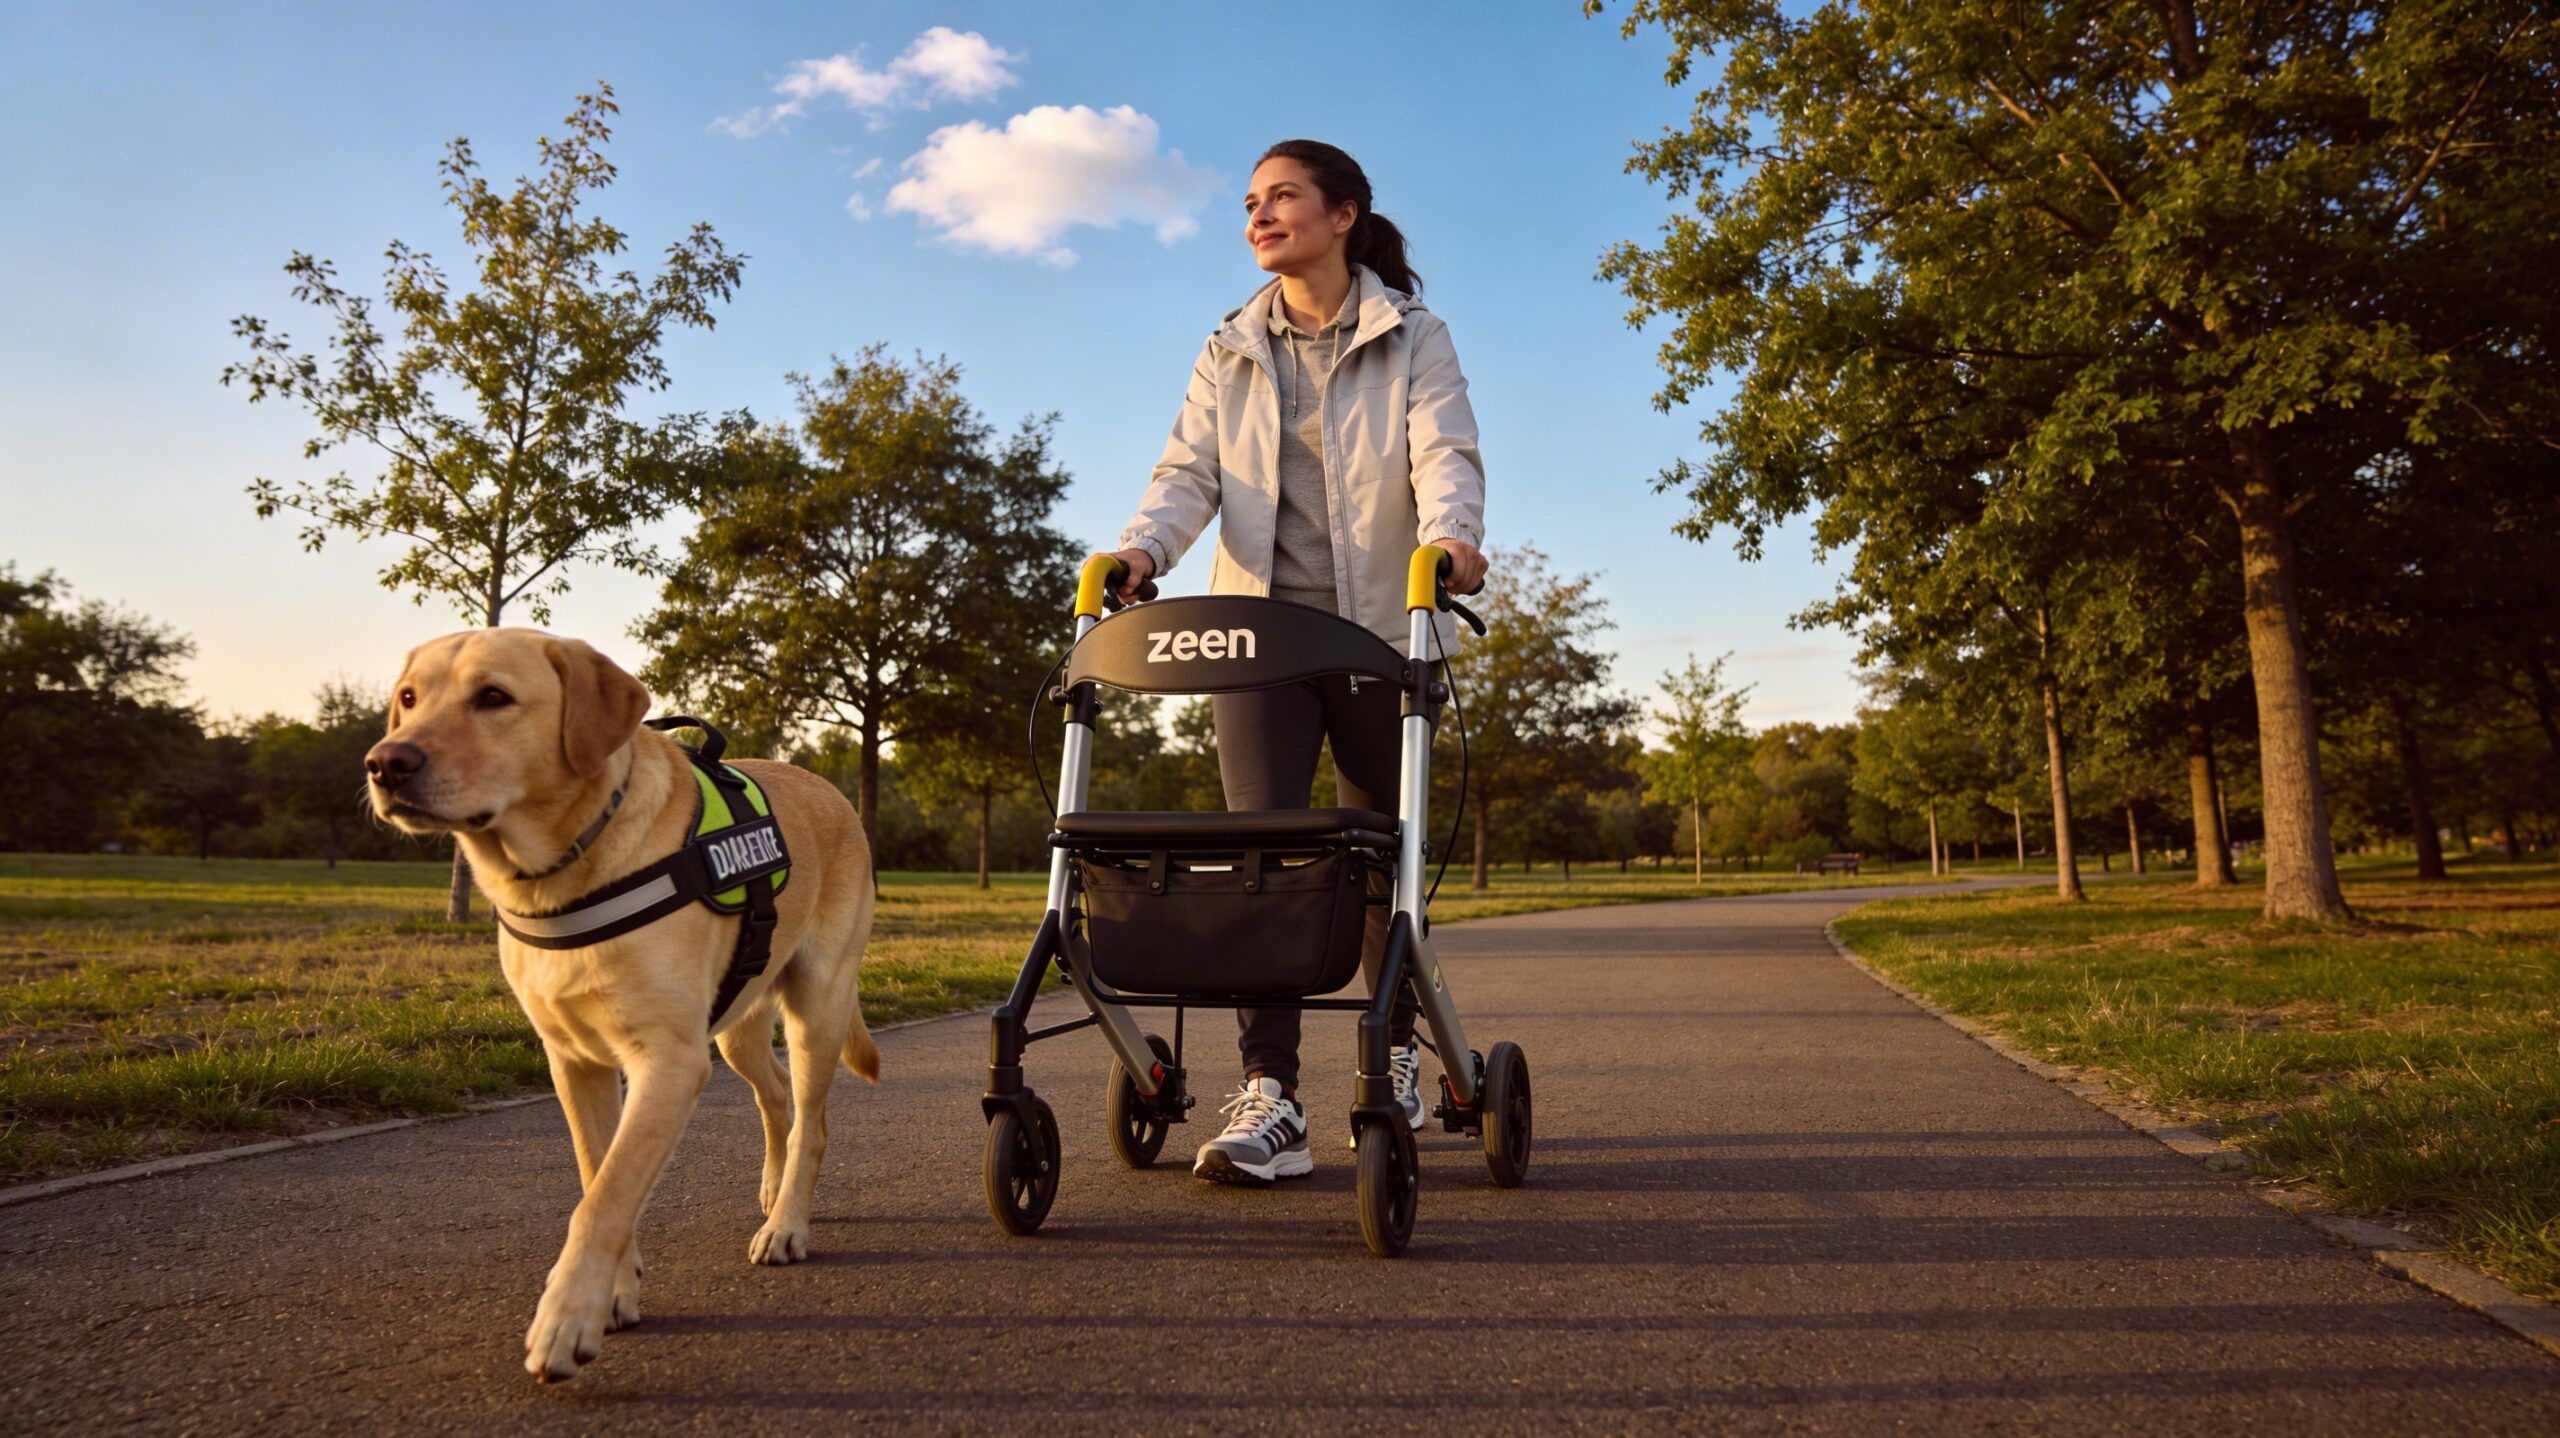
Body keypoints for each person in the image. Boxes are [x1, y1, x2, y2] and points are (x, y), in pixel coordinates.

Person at [1105, 139, 1487, 1184]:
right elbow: (1186, 471)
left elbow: (1441, 450)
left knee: (1380, 867)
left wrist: (1451, 538)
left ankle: (1395, 1057)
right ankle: (1270, 1096)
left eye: (1281, 199)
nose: (1258, 218)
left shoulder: (1412, 334)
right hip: (1257, 639)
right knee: (1260, 862)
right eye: (1249, 203)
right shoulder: (1230, 345)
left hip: (1380, 631)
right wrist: (1142, 550)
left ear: (1343, 214)